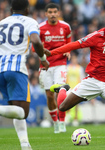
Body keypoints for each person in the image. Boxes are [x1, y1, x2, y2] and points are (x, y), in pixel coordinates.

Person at [0, 0, 49, 150]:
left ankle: (25, 144)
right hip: (16, 69)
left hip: (0, 70)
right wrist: (43, 59)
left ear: (11, 8)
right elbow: (35, 40)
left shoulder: (1, 23)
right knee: (22, 113)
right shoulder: (30, 21)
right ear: (27, 9)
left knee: (15, 110)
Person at [33, 3, 71, 133]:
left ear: (58, 13)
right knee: (49, 96)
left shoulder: (66, 27)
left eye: (55, 12)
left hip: (60, 63)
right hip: (45, 65)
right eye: (50, 12)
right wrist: (42, 52)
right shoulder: (40, 28)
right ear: (46, 14)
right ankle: (55, 122)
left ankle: (62, 122)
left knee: (60, 91)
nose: (53, 14)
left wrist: (68, 51)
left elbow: (69, 42)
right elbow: (34, 47)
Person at [65, 53, 85, 126]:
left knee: (76, 104)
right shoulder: (67, 67)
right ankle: (68, 116)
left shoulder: (80, 68)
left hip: (77, 87)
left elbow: (82, 78)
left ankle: (75, 119)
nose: (74, 60)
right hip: (69, 87)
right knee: (68, 102)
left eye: (75, 59)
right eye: (73, 59)